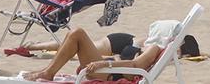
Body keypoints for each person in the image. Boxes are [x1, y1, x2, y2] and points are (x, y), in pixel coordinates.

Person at [23, 20, 198, 83]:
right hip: (110, 70)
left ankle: (48, 73)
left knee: (77, 33)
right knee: (74, 34)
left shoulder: (154, 48)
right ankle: (47, 72)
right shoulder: (153, 46)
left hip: (110, 73)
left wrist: (104, 63)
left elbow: (136, 65)